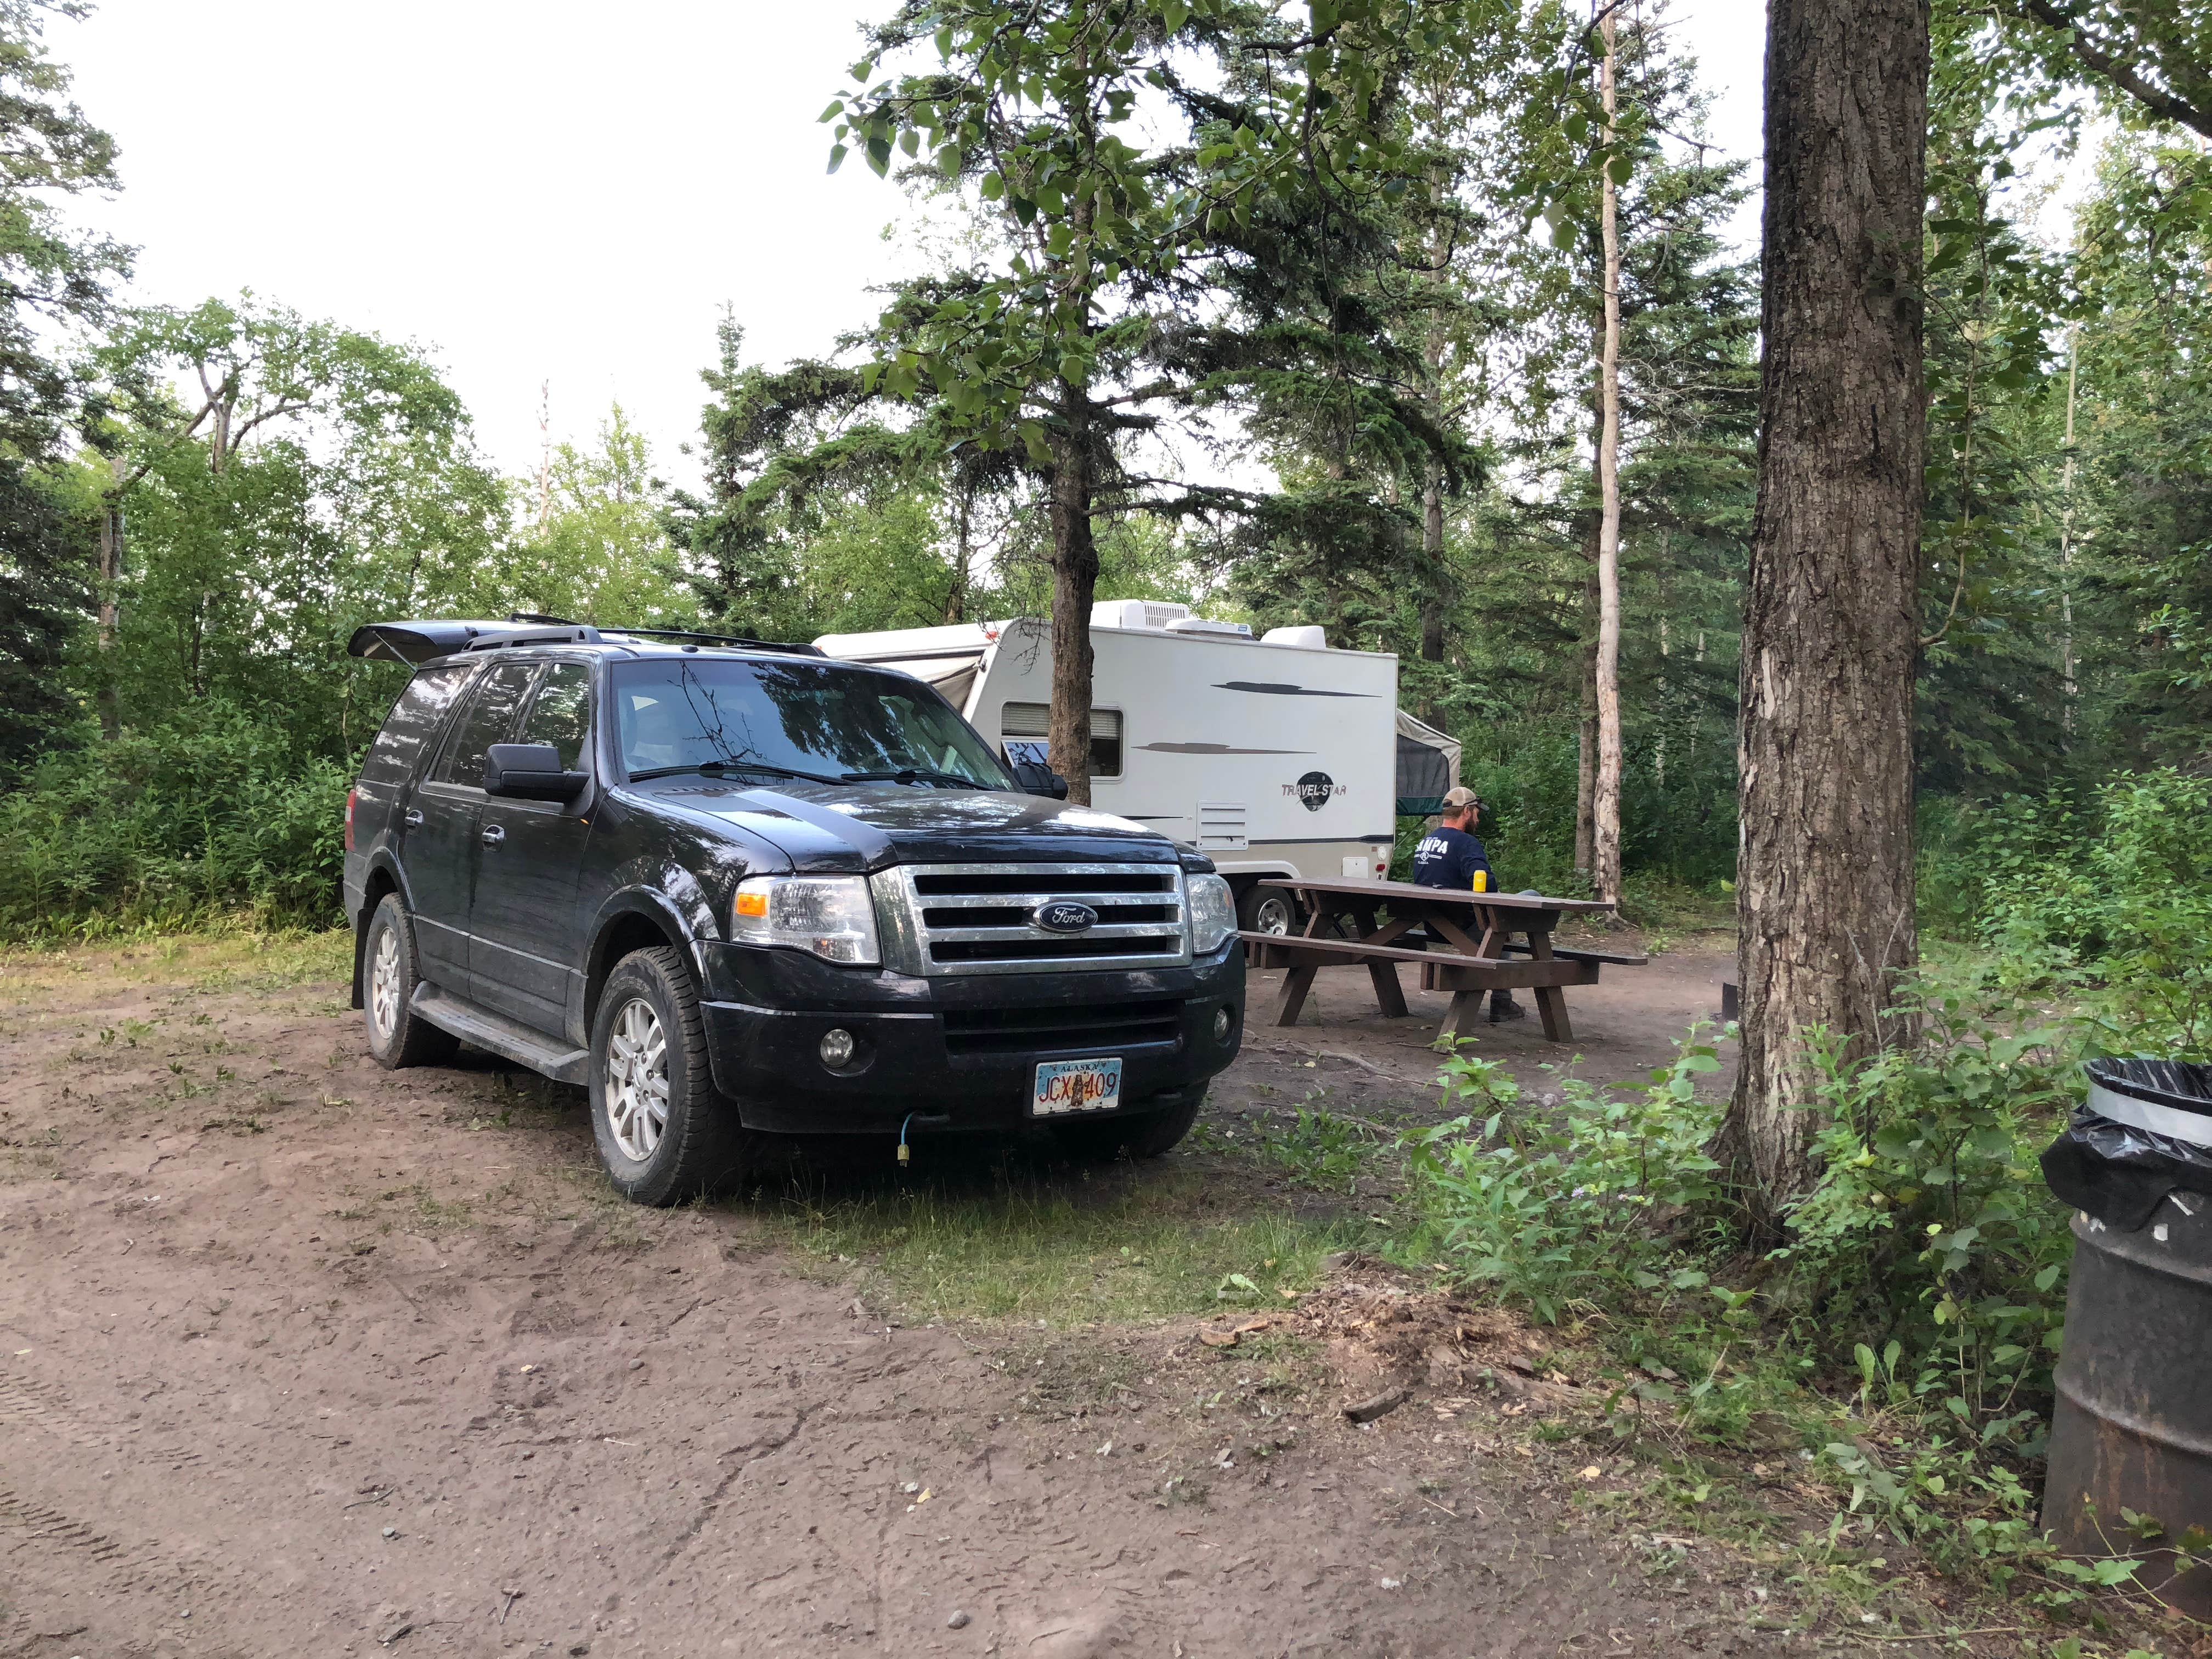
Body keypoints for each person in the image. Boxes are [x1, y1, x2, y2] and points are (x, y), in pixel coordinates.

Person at [1410, 786, 1527, 1023]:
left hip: (1436, 925)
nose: (1478, 817)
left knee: (1496, 923)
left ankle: (1503, 1002)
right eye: (1476, 812)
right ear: (1466, 812)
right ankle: (1502, 1003)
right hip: (1464, 925)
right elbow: (1486, 883)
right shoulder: (1465, 843)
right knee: (1510, 911)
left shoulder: (1426, 841)